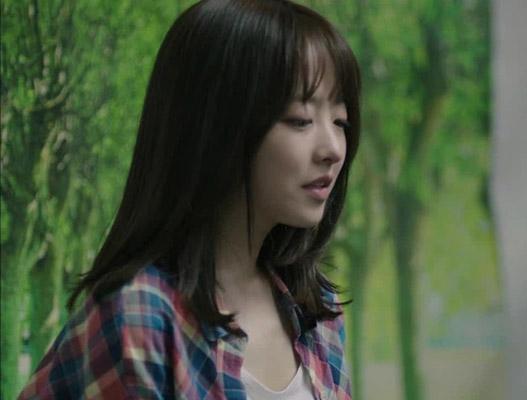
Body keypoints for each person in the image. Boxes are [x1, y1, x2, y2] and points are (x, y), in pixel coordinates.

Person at [19, 0, 360, 398]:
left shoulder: (318, 311)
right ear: (215, 126)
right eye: (300, 119)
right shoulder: (139, 318)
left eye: (341, 121)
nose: (333, 148)